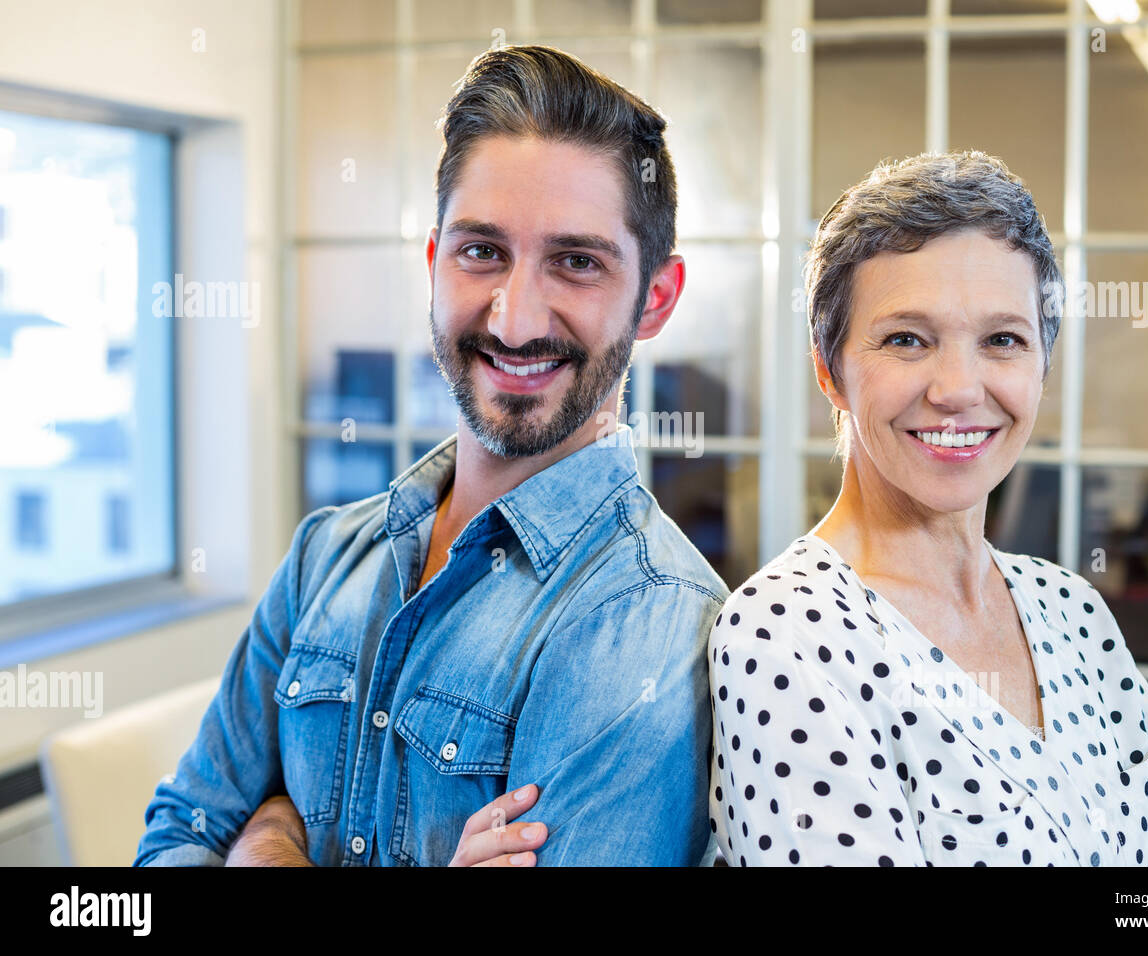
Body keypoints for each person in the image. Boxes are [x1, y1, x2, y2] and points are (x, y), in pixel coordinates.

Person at [134, 45, 726, 867]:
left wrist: (263, 839)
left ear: (654, 298)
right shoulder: (325, 554)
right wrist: (260, 845)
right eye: (481, 251)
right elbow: (174, 838)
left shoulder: (648, 620)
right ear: (433, 263)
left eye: (577, 262)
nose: (515, 319)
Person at [707, 150, 1148, 867]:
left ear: (1040, 367)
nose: (958, 388)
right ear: (829, 371)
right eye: (906, 339)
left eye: (1001, 341)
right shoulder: (785, 637)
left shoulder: (1071, 609)